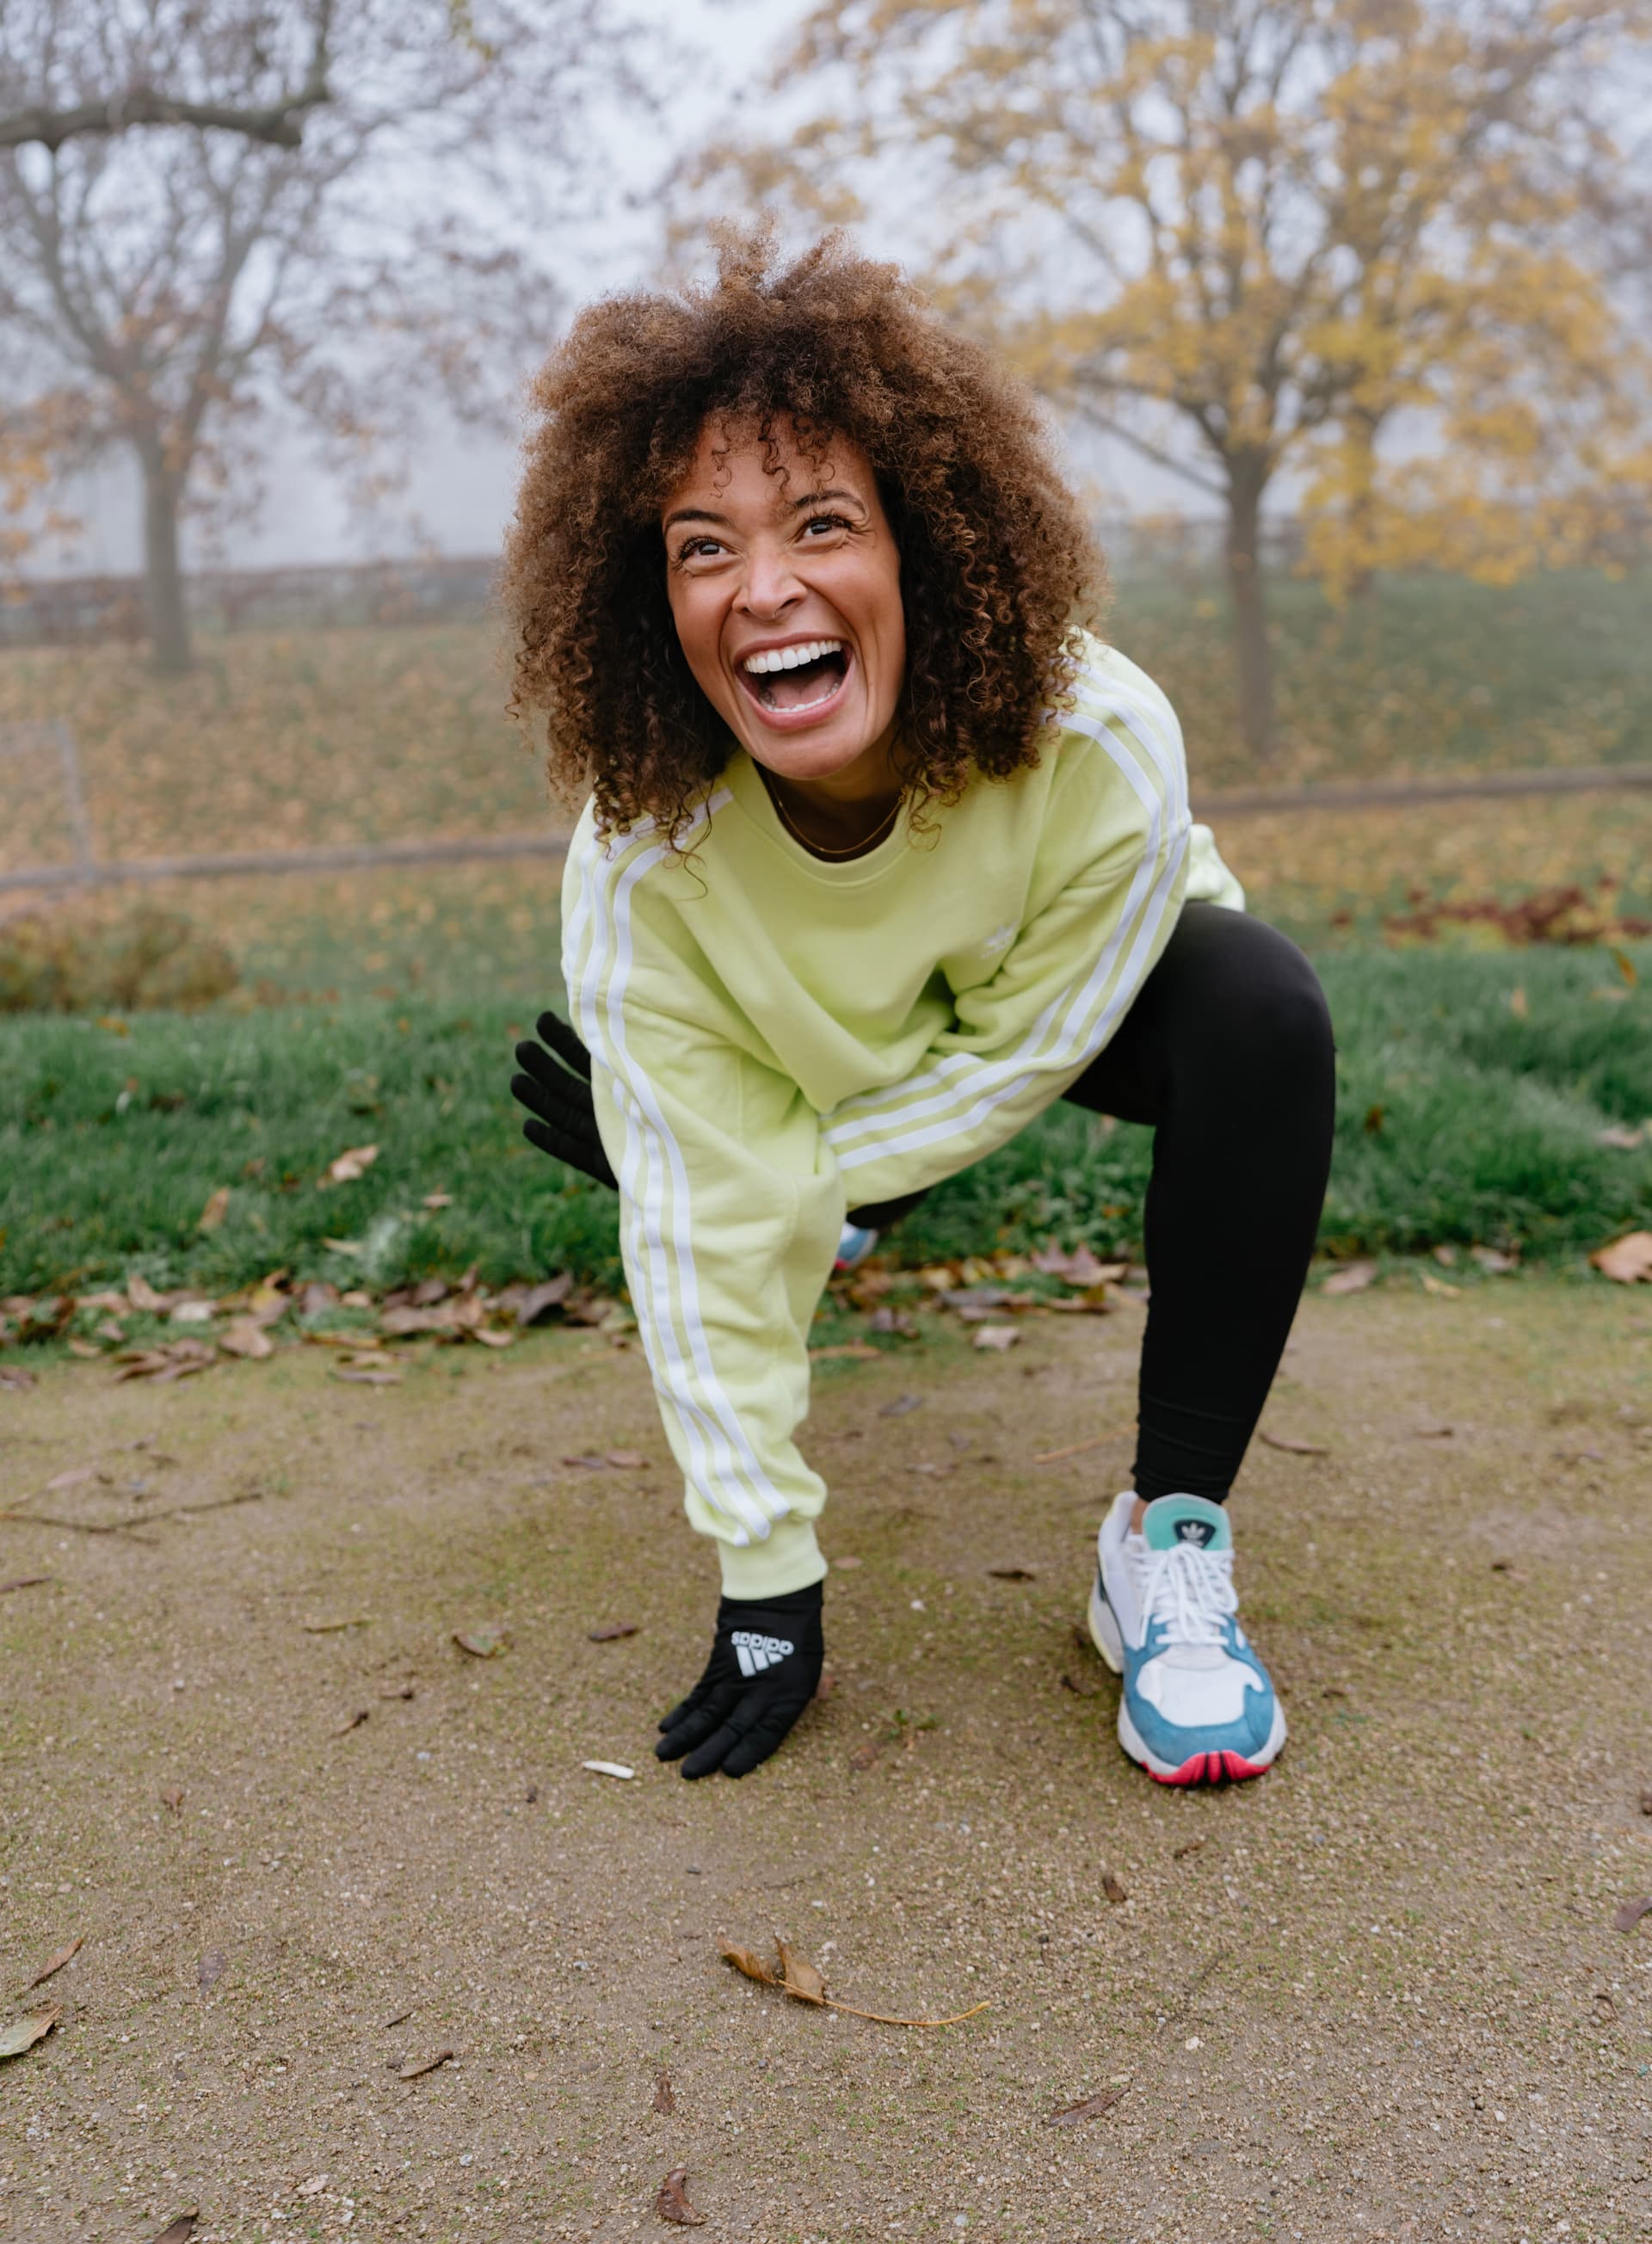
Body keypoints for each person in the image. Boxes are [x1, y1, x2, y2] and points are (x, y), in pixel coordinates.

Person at [501, 232, 1335, 1791]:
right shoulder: (639, 871)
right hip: (826, 1033)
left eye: (822, 523)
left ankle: (1166, 1551)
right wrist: (766, 1580)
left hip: (1069, 984)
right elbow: (692, 1249)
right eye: (701, 546)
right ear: (645, 599)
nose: (764, 589)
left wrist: (805, 1182)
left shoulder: (1099, 741)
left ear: (925, 550)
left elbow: (1024, 1053)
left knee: (1262, 1007)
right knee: (713, 1177)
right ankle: (843, 1180)